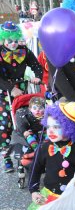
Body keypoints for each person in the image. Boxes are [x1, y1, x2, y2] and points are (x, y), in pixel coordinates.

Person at [0, 21, 42, 171]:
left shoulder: (24, 50)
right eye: (9, 41)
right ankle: (6, 156)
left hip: (22, 89)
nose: (13, 44)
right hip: (4, 91)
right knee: (5, 124)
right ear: (3, 40)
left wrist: (38, 76)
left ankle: (27, 150)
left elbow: (37, 66)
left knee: (24, 119)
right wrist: (11, 88)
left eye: (15, 40)